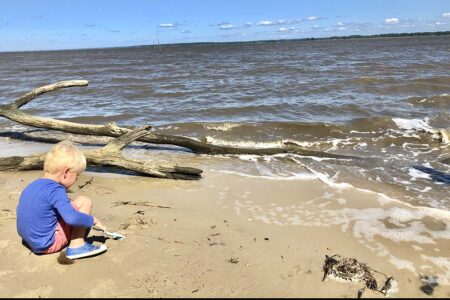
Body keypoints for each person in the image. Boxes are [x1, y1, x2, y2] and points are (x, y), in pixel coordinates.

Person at [16, 141, 107, 259]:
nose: (76, 180)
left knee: (66, 206)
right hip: (47, 244)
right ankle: (77, 246)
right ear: (66, 172)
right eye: (77, 175)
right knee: (84, 201)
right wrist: (93, 220)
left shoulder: (32, 185)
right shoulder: (56, 190)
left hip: (29, 240)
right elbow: (72, 218)